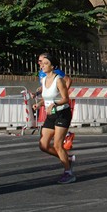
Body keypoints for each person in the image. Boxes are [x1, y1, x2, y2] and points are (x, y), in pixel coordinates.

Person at [33, 53, 75, 184]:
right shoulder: (43, 80)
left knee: (58, 144)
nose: (42, 66)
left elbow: (65, 99)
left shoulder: (58, 80)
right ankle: (67, 159)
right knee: (43, 145)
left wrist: (55, 104)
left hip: (63, 113)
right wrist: (39, 104)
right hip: (51, 115)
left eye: (45, 64)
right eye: (41, 63)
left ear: (52, 66)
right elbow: (47, 97)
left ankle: (68, 172)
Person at [35, 53, 75, 150]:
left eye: (42, 61)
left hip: (59, 108)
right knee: (45, 142)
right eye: (39, 62)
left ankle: (67, 137)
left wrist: (61, 92)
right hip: (50, 109)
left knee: (57, 144)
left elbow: (68, 80)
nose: (40, 64)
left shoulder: (55, 72)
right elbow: (47, 88)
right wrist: (38, 94)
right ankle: (66, 136)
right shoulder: (41, 73)